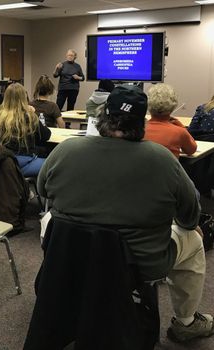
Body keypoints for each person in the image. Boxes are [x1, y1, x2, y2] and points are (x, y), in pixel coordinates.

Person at [37, 85, 213, 343]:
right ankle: (185, 323)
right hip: (139, 263)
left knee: (48, 218)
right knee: (194, 240)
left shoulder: (66, 150)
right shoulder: (163, 160)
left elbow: (43, 190)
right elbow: (189, 216)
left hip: (73, 254)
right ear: (142, 121)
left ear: (104, 116)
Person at [0, 83, 51, 177]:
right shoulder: (28, 116)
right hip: (22, 161)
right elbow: (45, 135)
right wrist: (34, 113)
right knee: (51, 163)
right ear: (24, 97)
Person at [144, 83, 197, 158]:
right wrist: (181, 126)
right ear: (173, 105)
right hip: (167, 170)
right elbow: (191, 150)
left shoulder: (138, 130)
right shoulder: (179, 132)